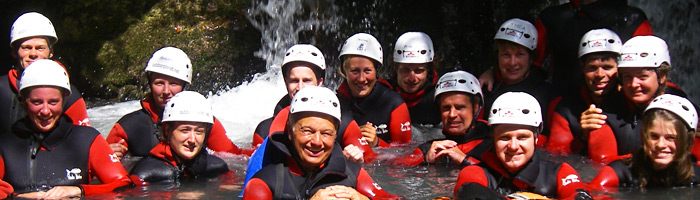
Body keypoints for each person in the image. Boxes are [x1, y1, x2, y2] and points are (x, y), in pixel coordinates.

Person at [0, 60, 130, 199]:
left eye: (53, 102)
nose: (45, 111)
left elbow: (124, 185)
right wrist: (17, 197)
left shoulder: (87, 140)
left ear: (64, 101)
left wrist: (78, 190)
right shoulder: (5, 144)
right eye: (36, 102)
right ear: (23, 101)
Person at [242, 86, 401, 200]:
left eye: (326, 133)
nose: (317, 142)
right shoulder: (265, 182)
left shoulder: (353, 173)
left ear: (335, 135)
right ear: (290, 132)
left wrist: (361, 199)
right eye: (307, 131)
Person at [106, 47, 249, 159]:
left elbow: (235, 156)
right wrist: (107, 156)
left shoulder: (203, 120)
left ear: (184, 86)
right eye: (159, 83)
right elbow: (96, 166)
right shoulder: (128, 126)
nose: (166, 91)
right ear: (150, 84)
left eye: (173, 84)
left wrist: (264, 150)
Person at [454, 92, 591, 199]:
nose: (513, 146)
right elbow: (469, 193)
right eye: (505, 138)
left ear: (536, 138)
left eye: (522, 137)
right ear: (493, 138)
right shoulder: (476, 172)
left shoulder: (560, 173)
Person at [251, 44, 374, 161]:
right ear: (285, 81)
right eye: (294, 80)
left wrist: (356, 157)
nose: (300, 87)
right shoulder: (265, 130)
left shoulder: (344, 122)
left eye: (306, 80)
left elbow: (371, 159)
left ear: (319, 82)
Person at [585, 35, 691, 164]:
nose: (634, 84)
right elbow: (600, 166)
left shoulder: (685, 109)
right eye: (628, 77)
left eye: (642, 76)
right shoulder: (604, 114)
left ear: (662, 76)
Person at [0, 12, 90, 135]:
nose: (33, 54)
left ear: (51, 52)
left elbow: (84, 139)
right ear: (14, 52)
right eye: (26, 47)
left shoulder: (70, 94)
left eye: (40, 48)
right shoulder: (1, 89)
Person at [589, 94, 700, 191]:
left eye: (670, 138)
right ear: (643, 137)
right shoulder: (623, 170)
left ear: (688, 141)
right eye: (654, 136)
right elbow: (588, 191)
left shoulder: (696, 175)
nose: (660, 145)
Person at [545, 29, 626, 155]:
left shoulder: (630, 100)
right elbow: (555, 156)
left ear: (619, 68)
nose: (599, 75)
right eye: (592, 68)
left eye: (607, 67)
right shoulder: (567, 107)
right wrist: (582, 137)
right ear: (582, 68)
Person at [480, 18, 554, 147]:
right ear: (497, 57)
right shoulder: (485, 88)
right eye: (506, 55)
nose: (512, 62)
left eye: (520, 55)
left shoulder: (547, 94)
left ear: (531, 58)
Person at [129, 91, 229, 185]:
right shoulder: (145, 174)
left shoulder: (218, 168)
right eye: (185, 130)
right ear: (167, 131)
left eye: (199, 131)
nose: (192, 140)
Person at [395, 71, 491, 167]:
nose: (452, 114)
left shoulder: (492, 146)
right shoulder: (428, 149)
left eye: (460, 107)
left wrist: (464, 160)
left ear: (476, 107)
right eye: (446, 108)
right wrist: (425, 161)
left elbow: (498, 177)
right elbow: (397, 170)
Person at [337, 32, 412, 147]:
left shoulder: (394, 104)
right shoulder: (335, 103)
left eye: (367, 71)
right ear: (344, 71)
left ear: (377, 71)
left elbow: (406, 154)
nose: (361, 79)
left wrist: (377, 143)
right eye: (354, 71)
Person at [390, 32, 440, 126]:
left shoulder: (440, 98)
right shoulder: (383, 94)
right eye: (405, 70)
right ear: (396, 68)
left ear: (429, 70)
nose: (412, 78)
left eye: (418, 71)